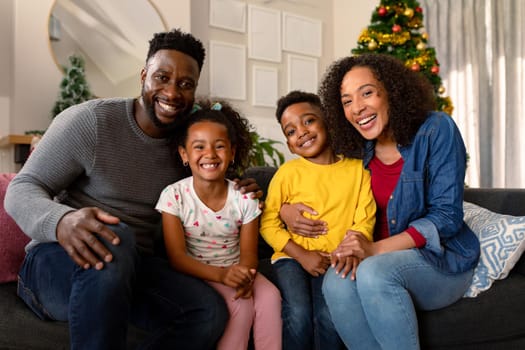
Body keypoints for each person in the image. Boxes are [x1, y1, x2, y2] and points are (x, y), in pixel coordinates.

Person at [4, 29, 261, 350]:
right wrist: (62, 221)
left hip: (134, 267)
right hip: (56, 263)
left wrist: (238, 188)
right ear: (143, 76)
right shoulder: (92, 122)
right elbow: (23, 188)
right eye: (162, 77)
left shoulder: (185, 144)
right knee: (117, 237)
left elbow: (208, 187)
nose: (172, 91)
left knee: (206, 312)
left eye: (185, 84)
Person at [279, 54, 481, 350]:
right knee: (336, 281)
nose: (357, 108)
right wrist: (285, 210)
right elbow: (312, 177)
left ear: (391, 91)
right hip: (377, 258)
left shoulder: (436, 129)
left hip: (440, 260)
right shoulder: (354, 147)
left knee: (374, 272)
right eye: (347, 101)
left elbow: (447, 218)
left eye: (367, 93)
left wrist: (374, 249)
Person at [155, 99, 282, 350]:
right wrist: (223, 276)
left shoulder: (244, 197)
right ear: (184, 154)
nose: (210, 155)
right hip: (200, 272)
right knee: (241, 306)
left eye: (220, 146)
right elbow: (178, 258)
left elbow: (248, 253)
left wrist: (244, 275)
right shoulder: (174, 196)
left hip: (238, 269)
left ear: (232, 152)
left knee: (270, 297)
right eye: (199, 147)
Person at [260, 90, 376, 350]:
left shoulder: (358, 171)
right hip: (291, 258)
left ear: (328, 121)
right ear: (289, 145)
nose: (301, 132)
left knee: (329, 316)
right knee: (299, 313)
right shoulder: (288, 173)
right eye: (290, 131)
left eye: (308, 121)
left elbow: (364, 220)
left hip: (337, 260)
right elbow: (268, 223)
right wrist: (301, 254)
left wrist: (346, 251)